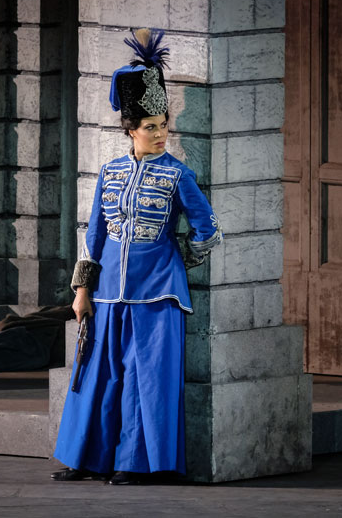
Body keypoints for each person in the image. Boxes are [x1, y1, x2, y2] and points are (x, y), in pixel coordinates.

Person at [51, 28, 223, 484]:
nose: (161, 133)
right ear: (131, 129)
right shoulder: (110, 171)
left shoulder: (177, 175)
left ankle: (137, 463)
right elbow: (96, 234)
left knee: (148, 382)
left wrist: (177, 259)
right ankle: (88, 460)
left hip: (159, 296)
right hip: (108, 294)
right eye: (151, 127)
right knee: (100, 378)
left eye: (164, 125)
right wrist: (82, 291)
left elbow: (208, 230)